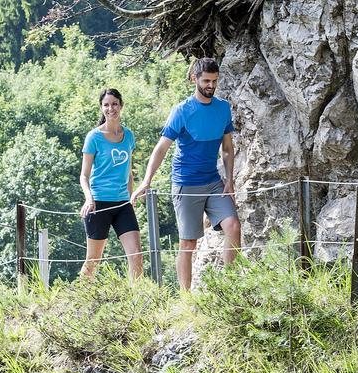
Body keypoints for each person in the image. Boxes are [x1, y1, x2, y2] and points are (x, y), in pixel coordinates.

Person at [133, 58, 241, 291]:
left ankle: (233, 288)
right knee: (188, 242)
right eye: (206, 81)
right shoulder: (182, 111)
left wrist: (230, 179)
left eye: (214, 81)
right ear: (194, 79)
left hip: (213, 181)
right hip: (186, 184)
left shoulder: (223, 108)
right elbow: (161, 148)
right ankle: (186, 297)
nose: (211, 85)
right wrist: (146, 181)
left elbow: (228, 148)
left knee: (233, 225)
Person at [79, 87, 143, 280]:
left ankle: (137, 301)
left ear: (121, 105)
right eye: (106, 105)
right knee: (93, 260)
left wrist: (130, 198)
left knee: (136, 255)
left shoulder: (129, 136)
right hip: (98, 204)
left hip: (123, 204)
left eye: (114, 104)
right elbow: (84, 175)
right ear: (101, 108)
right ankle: (78, 299)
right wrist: (89, 199)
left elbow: (129, 172)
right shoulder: (94, 137)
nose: (110, 108)